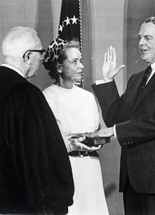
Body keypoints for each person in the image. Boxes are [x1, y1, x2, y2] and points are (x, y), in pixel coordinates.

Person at [91, 17, 155, 215]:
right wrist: (107, 81)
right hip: (132, 180)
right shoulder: (136, 79)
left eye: (147, 38)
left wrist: (115, 132)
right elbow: (115, 119)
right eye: (140, 38)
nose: (141, 43)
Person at [0, 26, 74, 214]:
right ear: (28, 56)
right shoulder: (26, 94)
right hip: (19, 203)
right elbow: (40, 157)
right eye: (40, 53)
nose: (42, 59)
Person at [42, 38, 109, 215]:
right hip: (65, 170)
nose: (81, 66)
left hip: (91, 168)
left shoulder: (88, 97)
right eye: (74, 61)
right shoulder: (46, 98)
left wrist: (97, 139)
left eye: (81, 60)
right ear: (59, 67)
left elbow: (97, 129)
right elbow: (44, 144)